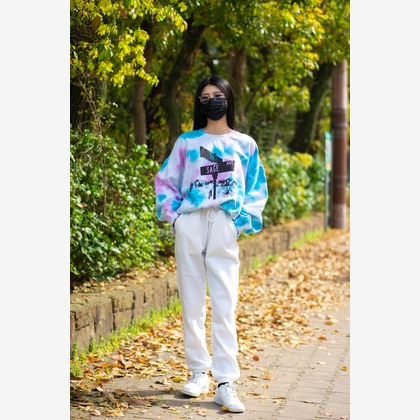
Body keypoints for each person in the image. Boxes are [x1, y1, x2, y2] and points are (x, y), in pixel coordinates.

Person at [154, 75, 268, 413]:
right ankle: (198, 372)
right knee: (191, 301)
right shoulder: (187, 142)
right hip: (190, 222)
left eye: (217, 95)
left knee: (224, 302)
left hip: (224, 224)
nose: (211, 101)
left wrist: (238, 223)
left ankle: (225, 382)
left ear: (228, 99)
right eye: (204, 97)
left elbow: (256, 189)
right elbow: (165, 182)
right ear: (198, 103)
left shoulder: (245, 144)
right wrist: (176, 218)